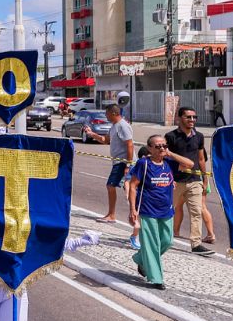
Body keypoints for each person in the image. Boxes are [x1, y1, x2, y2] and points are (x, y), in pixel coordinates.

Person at [127, 135, 194, 289]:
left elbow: (190, 164)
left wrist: (170, 154)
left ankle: (141, 259)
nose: (162, 148)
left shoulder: (169, 162)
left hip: (166, 210)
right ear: (150, 148)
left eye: (164, 145)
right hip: (147, 209)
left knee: (167, 241)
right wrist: (133, 209)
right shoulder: (144, 163)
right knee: (152, 244)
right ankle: (156, 278)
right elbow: (133, 185)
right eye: (158, 146)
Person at [164, 107, 215, 254]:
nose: (192, 120)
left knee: (196, 212)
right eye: (188, 117)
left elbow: (201, 159)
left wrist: (205, 179)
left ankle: (196, 244)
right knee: (167, 210)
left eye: (194, 117)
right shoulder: (171, 136)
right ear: (179, 118)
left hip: (194, 180)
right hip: (175, 181)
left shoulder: (199, 136)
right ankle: (163, 238)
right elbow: (165, 157)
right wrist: (168, 177)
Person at [84, 104, 134, 223]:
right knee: (125, 188)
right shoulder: (114, 126)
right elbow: (105, 140)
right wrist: (91, 134)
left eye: (107, 114)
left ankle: (113, 215)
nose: (106, 116)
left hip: (123, 162)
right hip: (118, 162)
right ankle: (122, 214)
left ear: (114, 113)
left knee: (112, 186)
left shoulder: (123, 125)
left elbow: (130, 145)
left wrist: (128, 164)